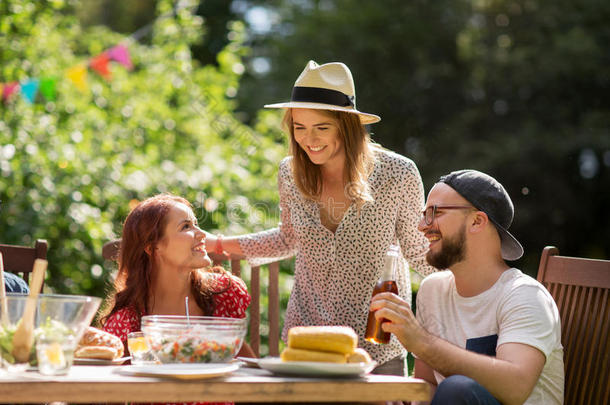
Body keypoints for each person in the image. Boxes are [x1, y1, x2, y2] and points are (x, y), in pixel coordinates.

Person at [205, 60, 436, 375]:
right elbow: (288, 238)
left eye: (321, 127)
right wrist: (216, 244)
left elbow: (418, 250)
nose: (308, 139)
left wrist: (477, 285)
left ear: (347, 125)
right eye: (299, 127)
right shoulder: (290, 172)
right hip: (307, 343)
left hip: (376, 344)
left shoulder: (398, 173)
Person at [370, 170, 564, 404]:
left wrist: (421, 341)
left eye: (435, 213)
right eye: (424, 214)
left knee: (457, 389)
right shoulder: (433, 291)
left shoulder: (524, 296)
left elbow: (516, 387)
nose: (422, 226)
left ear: (476, 221)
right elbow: (427, 386)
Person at [100, 193, 254, 362]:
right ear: (152, 248)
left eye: (196, 224)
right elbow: (112, 381)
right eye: (186, 227)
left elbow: (247, 366)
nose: (202, 234)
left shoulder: (222, 294)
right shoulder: (127, 322)